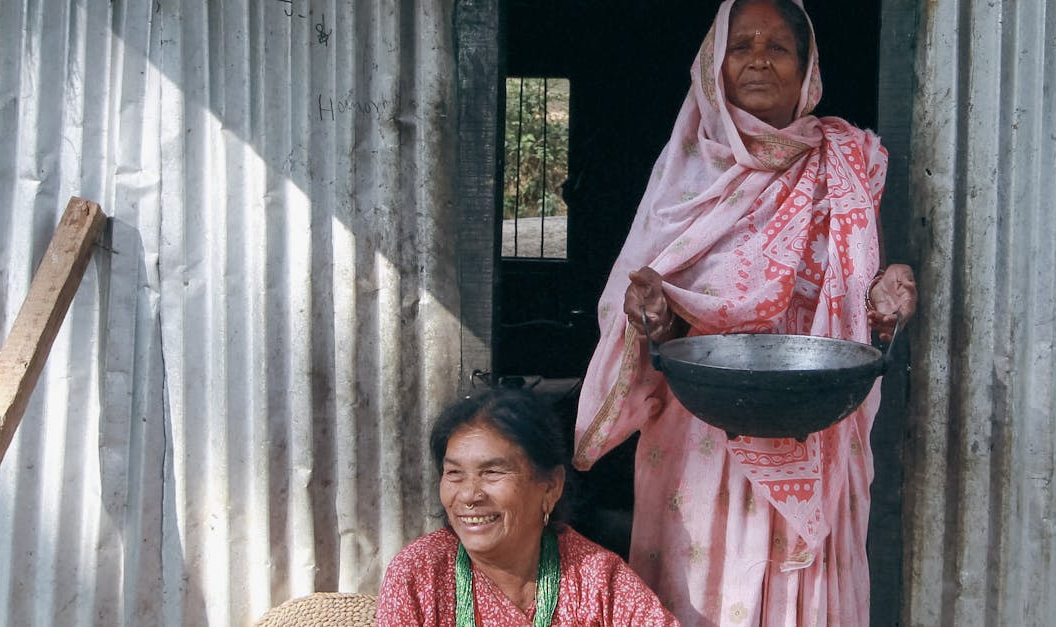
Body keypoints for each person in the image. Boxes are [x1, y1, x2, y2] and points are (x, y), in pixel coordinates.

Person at [573, 0, 918, 625]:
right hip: (702, 432)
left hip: (817, 427)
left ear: (807, 67)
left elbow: (851, 308)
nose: (759, 58)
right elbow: (649, 305)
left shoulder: (845, 161)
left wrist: (884, 306)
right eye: (741, 46)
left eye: (778, 46)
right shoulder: (684, 173)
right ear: (714, 68)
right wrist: (652, 313)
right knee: (704, 586)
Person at [375, 388, 679, 626]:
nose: (468, 494)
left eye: (492, 472)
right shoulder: (420, 573)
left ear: (550, 486)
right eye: (454, 473)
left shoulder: (597, 580)